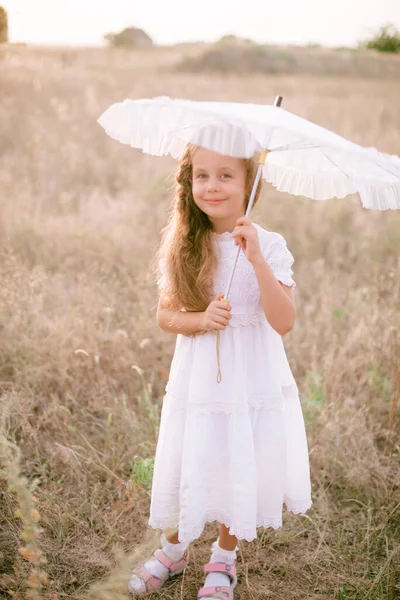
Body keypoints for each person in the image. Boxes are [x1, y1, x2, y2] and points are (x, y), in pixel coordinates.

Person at [129, 143, 312, 599]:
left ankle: (223, 556)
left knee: (238, 461)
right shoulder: (185, 243)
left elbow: (284, 321)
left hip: (250, 378)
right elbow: (165, 316)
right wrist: (200, 320)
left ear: (251, 184)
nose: (212, 186)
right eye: (202, 176)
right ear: (189, 184)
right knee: (195, 458)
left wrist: (256, 260)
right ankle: (174, 548)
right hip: (199, 380)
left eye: (226, 176)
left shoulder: (268, 245)